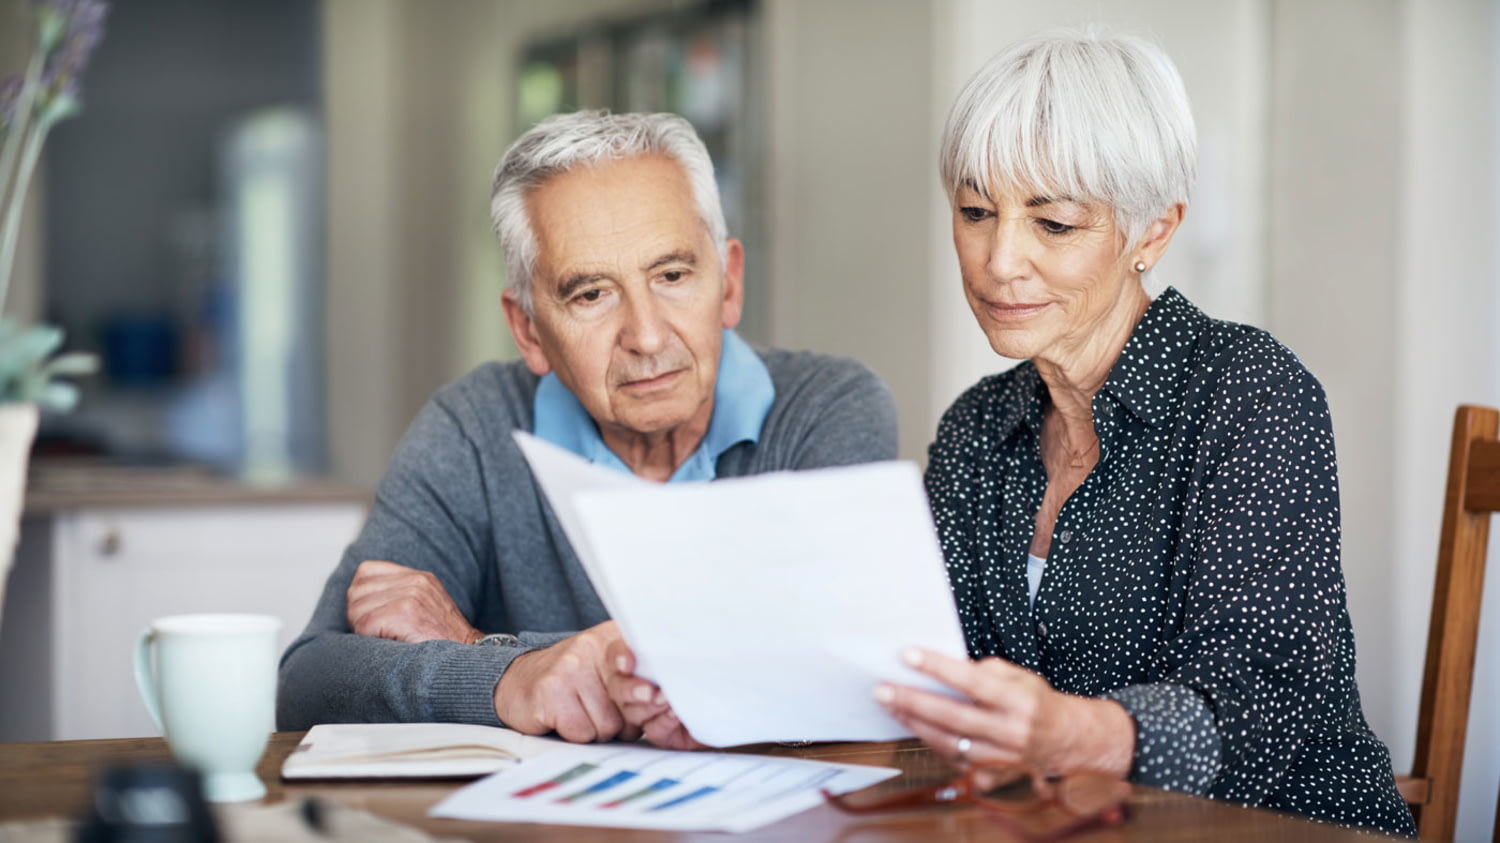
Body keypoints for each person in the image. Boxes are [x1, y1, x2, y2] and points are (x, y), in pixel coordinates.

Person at [872, 30, 1416, 836]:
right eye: (975, 211)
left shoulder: (1250, 393)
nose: (998, 260)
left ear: (1152, 234)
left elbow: (1262, 701)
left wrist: (1078, 734)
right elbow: (928, 668)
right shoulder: (977, 430)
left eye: (1054, 223)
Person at [277, 111, 899, 747]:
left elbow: (841, 659)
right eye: (591, 294)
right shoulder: (473, 426)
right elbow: (309, 682)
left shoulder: (829, 406)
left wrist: (480, 647)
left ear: (730, 282)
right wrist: (514, 678)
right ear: (527, 330)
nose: (648, 337)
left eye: (673, 276)